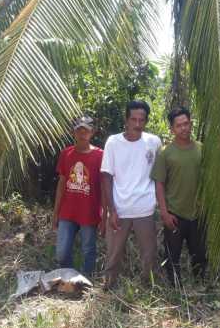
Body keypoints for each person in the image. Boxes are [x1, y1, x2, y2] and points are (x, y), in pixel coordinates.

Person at [101, 100, 162, 289]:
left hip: (145, 208)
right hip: (120, 208)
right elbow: (106, 176)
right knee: (113, 253)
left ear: (146, 121)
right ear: (126, 120)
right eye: (133, 119)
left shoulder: (154, 142)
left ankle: (148, 288)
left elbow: (160, 175)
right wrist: (111, 210)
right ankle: (109, 287)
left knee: (149, 255)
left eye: (141, 120)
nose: (137, 124)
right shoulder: (113, 142)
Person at [151, 107, 207, 286]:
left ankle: (200, 286)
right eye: (178, 125)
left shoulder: (201, 149)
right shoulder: (165, 153)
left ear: (191, 124)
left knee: (199, 255)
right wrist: (165, 214)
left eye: (186, 124)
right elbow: (159, 184)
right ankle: (175, 291)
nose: (183, 128)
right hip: (175, 215)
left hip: (198, 214)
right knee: (172, 256)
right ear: (172, 129)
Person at [52, 116, 104, 277]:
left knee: (88, 249)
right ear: (73, 132)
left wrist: (104, 213)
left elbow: (104, 187)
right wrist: (55, 213)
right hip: (67, 212)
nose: (82, 134)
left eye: (86, 130)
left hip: (89, 212)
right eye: (79, 130)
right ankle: (70, 276)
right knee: (61, 252)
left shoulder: (100, 155)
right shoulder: (66, 154)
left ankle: (86, 280)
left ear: (92, 132)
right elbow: (61, 184)